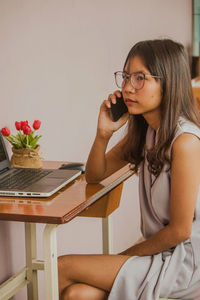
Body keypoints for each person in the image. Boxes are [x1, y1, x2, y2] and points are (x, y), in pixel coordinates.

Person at [58, 39, 200, 300]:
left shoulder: (186, 141)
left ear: (168, 83)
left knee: (61, 267)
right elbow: (95, 175)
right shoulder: (147, 133)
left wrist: (122, 258)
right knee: (77, 294)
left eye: (139, 78)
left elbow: (181, 231)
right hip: (162, 254)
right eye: (124, 77)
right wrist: (103, 134)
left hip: (186, 263)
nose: (126, 88)